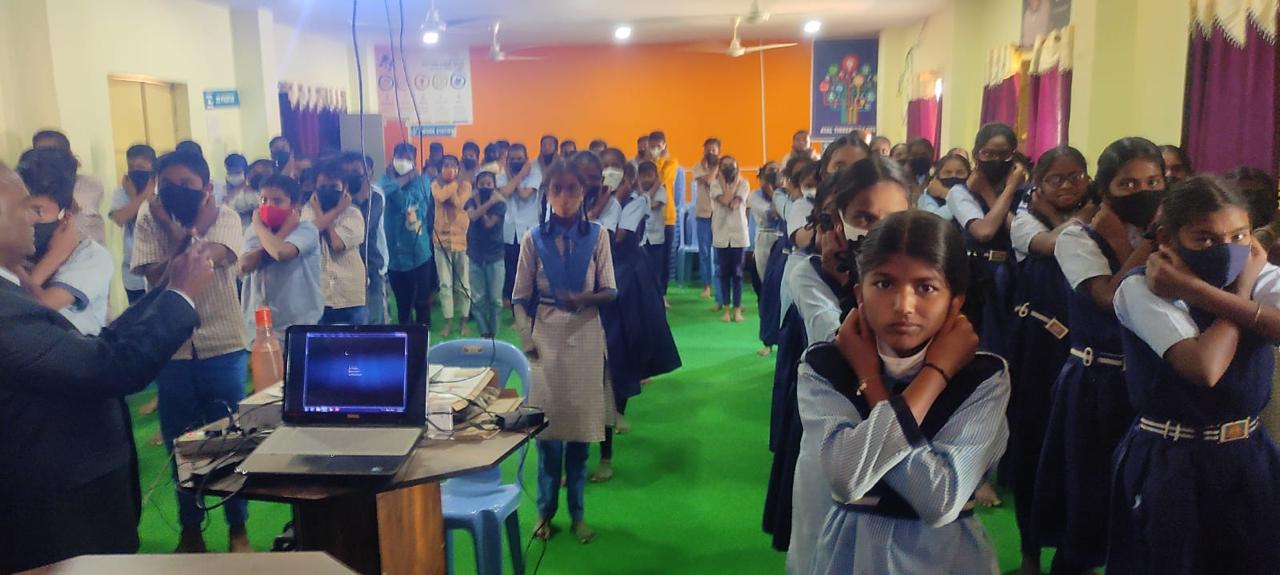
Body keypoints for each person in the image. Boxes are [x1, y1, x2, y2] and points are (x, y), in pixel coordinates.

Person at [0, 161, 217, 573]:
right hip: (53, 519)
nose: (35, 218)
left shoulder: (12, 291)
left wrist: (168, 291)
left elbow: (94, 347)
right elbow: (111, 367)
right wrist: (182, 297)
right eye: (25, 208)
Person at [797, 209, 1009, 575]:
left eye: (926, 287)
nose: (903, 305)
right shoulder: (824, 365)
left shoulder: (984, 375)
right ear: (859, 293)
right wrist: (929, 377)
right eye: (883, 283)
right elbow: (848, 479)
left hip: (948, 557)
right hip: (852, 552)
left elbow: (940, 501)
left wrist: (912, 378)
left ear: (954, 302)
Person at [1109, 176, 1280, 574]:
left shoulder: (1258, 275)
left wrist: (1208, 291)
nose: (1226, 250)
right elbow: (1205, 367)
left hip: (1249, 452)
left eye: (1239, 236)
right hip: (1173, 456)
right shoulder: (1140, 289)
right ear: (1168, 238)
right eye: (1205, 239)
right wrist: (1238, 294)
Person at [1032, 137, 1164, 575]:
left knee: (1140, 505)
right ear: (1104, 189)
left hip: (1151, 386)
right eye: (1128, 184)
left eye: (1153, 181)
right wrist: (1147, 241)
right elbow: (1111, 298)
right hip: (1094, 384)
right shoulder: (1077, 238)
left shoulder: (1175, 238)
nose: (1143, 191)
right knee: (1086, 501)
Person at [776, 157, 912, 566]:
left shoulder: (928, 275)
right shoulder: (808, 271)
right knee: (828, 548)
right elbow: (840, 342)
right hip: (837, 432)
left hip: (910, 435)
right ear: (839, 221)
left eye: (893, 219)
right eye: (864, 218)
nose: (878, 232)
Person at [131, 150, 250, 553]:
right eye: (169, 185)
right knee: (180, 446)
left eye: (187, 185)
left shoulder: (228, 217)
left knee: (230, 442)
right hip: (173, 349)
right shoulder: (148, 220)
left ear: (207, 188)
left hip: (223, 345)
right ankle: (191, 531)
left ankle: (238, 531)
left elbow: (208, 260)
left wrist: (179, 232)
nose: (176, 192)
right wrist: (170, 227)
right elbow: (155, 275)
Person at [512, 159, 617, 545]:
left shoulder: (599, 236)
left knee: (580, 436)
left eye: (573, 190)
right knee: (547, 436)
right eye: (557, 190)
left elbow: (611, 288)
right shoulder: (532, 238)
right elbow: (519, 296)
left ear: (584, 194)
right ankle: (544, 512)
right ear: (547, 194)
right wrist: (527, 338)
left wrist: (583, 298)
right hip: (547, 341)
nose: (565, 198)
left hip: (587, 336)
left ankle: (577, 514)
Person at [1006, 146, 1095, 575]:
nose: (1066, 185)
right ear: (1038, 183)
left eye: (1075, 176)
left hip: (1089, 354)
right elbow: (1056, 244)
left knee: (1079, 457)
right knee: (1033, 448)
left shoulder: (1103, 221)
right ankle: (1028, 552)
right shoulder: (1024, 221)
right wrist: (1078, 216)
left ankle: (1070, 553)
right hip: (1038, 352)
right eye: (1055, 179)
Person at [595, 153, 681, 483]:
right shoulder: (589, 199)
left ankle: (617, 413)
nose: (610, 177)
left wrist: (612, 199)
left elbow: (616, 238)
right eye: (606, 171)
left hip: (627, 280)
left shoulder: (635, 201)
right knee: (602, 357)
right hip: (596, 280)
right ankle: (605, 420)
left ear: (628, 178)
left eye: (617, 172)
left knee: (623, 348)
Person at [947, 123, 1027, 358]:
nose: (995, 160)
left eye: (1003, 155)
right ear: (976, 155)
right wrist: (989, 193)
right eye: (988, 154)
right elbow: (984, 231)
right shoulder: (959, 193)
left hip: (1014, 276)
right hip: (976, 277)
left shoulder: (1025, 193)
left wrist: (1006, 189)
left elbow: (1019, 232)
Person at [15, 147, 113, 335]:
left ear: (66, 213)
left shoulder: (90, 257)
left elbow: (40, 308)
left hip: (78, 360)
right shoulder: (16, 253)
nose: (28, 219)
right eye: (21, 209)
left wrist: (55, 256)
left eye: (38, 211)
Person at [240, 174, 323, 342]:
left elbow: (281, 253)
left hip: (298, 326)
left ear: (293, 205)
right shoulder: (254, 231)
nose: (269, 206)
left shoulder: (306, 230)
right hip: (260, 328)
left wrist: (259, 226)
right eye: (264, 200)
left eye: (277, 201)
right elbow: (244, 265)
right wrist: (262, 228)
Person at [380, 142, 436, 327]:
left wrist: (398, 184)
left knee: (422, 304)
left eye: (407, 158)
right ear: (393, 158)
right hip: (393, 256)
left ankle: (424, 345)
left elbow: (407, 202)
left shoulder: (422, 181)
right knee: (402, 307)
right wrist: (402, 180)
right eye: (399, 157)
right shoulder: (383, 179)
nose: (402, 162)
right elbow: (380, 192)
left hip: (418, 254)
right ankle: (406, 346)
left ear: (414, 161)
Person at [308, 162, 367, 325]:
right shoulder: (307, 212)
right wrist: (330, 212)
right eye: (322, 186)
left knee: (358, 346)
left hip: (350, 295)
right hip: (319, 295)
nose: (328, 190)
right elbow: (306, 236)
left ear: (344, 188)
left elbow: (337, 244)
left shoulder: (353, 214)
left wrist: (336, 211)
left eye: (334, 186)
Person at [32, 129, 106, 244]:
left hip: (87, 254)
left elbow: (70, 213)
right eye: (40, 153)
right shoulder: (31, 189)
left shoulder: (89, 185)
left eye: (52, 153)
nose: (46, 159)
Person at [343, 152, 389, 324]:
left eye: (355, 170)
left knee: (376, 322)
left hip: (372, 266)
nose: (350, 175)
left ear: (367, 172)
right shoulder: (338, 196)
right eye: (346, 171)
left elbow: (360, 230)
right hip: (345, 269)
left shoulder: (375, 196)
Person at [110, 144, 158, 303]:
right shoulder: (121, 192)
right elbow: (120, 219)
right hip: (132, 272)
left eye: (141, 167)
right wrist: (139, 196)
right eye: (131, 167)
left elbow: (151, 219)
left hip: (159, 267)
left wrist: (141, 196)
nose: (135, 171)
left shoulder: (162, 190)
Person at [432, 155, 473, 337]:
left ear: (459, 169)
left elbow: (458, 203)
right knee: (445, 284)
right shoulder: (435, 184)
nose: (450, 169)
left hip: (461, 241)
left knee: (463, 283)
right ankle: (448, 322)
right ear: (441, 169)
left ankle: (464, 322)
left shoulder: (466, 186)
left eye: (453, 166)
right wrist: (454, 184)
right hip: (440, 241)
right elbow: (440, 197)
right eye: (446, 166)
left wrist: (455, 185)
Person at [499, 143, 542, 315]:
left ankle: (529, 311)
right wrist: (514, 176)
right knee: (511, 273)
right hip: (509, 231)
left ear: (526, 159)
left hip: (528, 230)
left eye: (520, 159)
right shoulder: (501, 176)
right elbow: (506, 192)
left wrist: (520, 175)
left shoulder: (535, 174)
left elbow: (525, 195)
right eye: (512, 159)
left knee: (528, 273)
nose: (516, 162)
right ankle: (516, 313)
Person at [465, 170, 506, 337]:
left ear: (494, 186)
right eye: (482, 184)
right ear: (476, 186)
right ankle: (484, 333)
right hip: (475, 255)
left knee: (495, 300)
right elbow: (473, 216)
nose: (485, 187)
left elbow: (489, 224)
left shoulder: (500, 203)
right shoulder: (470, 201)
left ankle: (494, 334)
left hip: (495, 256)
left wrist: (487, 203)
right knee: (478, 299)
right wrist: (485, 204)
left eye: (489, 184)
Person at [749, 161, 784, 356]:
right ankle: (768, 341)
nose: (774, 174)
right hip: (766, 241)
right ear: (761, 176)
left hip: (785, 242)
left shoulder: (787, 192)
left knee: (784, 293)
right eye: (770, 171)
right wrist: (773, 194)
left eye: (777, 171)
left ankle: (784, 339)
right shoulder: (755, 196)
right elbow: (772, 214)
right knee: (766, 291)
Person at [710, 155, 750, 322]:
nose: (728, 169)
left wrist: (727, 185)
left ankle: (737, 309)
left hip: (738, 234)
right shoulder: (714, 185)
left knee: (738, 274)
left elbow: (733, 204)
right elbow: (726, 200)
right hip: (721, 234)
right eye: (725, 166)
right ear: (719, 168)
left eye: (732, 166)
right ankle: (726, 309)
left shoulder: (744, 184)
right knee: (724, 273)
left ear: (737, 168)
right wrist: (722, 182)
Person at [648, 131, 679, 300]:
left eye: (658, 146)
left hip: (667, 217)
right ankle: (651, 292)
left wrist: (657, 160)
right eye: (652, 146)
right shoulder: (646, 163)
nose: (655, 149)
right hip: (649, 218)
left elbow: (662, 179)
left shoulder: (671, 162)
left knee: (666, 257)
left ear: (664, 146)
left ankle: (663, 295)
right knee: (652, 258)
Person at [692, 137, 723, 303]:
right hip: (703, 215)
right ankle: (706, 287)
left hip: (719, 215)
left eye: (714, 150)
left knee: (718, 253)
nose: (711, 152)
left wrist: (719, 166)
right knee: (704, 253)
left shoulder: (725, 168)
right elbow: (710, 181)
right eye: (708, 149)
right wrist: (716, 167)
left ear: (719, 151)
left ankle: (720, 288)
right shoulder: (698, 167)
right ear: (703, 150)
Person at [636, 161, 669, 291]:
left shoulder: (661, 190)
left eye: (650, 176)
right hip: (640, 239)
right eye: (643, 176)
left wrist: (643, 200)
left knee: (656, 270)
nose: (646, 179)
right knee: (642, 270)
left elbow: (654, 204)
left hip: (656, 238)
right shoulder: (636, 192)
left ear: (656, 177)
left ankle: (658, 296)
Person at [918, 153, 970, 222]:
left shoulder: (975, 193)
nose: (953, 176)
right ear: (937, 175)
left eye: (960, 173)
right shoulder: (928, 196)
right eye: (947, 173)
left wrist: (945, 194)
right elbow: (933, 220)